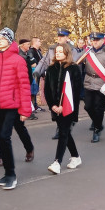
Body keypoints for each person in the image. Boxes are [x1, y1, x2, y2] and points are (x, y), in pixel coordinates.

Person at [0, 27, 33, 190]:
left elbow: (24, 86)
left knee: (5, 137)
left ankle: (11, 175)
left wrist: (25, 111)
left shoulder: (18, 60)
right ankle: (6, 174)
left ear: (10, 41)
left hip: (13, 105)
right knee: (0, 138)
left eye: (3, 38)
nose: (0, 40)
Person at [42, 41, 84, 175]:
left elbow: (76, 91)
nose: (58, 54)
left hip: (68, 108)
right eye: (57, 52)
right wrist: (52, 106)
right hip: (55, 107)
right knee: (65, 132)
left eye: (61, 51)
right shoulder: (51, 69)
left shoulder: (74, 68)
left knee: (63, 132)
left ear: (67, 53)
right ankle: (76, 157)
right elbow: (47, 90)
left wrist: (63, 106)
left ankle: (57, 162)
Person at [81, 31, 105, 143]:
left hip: (102, 84)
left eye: (97, 40)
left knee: (98, 109)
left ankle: (96, 130)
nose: (94, 42)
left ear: (103, 40)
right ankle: (98, 123)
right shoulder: (87, 52)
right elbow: (77, 62)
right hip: (88, 82)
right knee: (88, 107)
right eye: (93, 40)